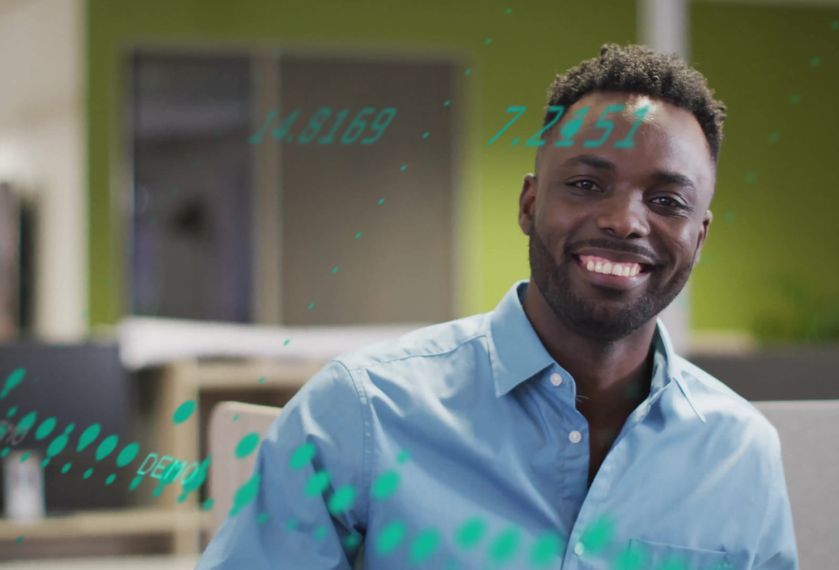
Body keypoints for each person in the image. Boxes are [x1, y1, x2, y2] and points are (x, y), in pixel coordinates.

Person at [198, 43, 798, 569]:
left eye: (667, 200)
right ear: (530, 203)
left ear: (700, 235)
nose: (624, 222)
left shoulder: (739, 452)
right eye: (587, 185)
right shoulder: (361, 412)